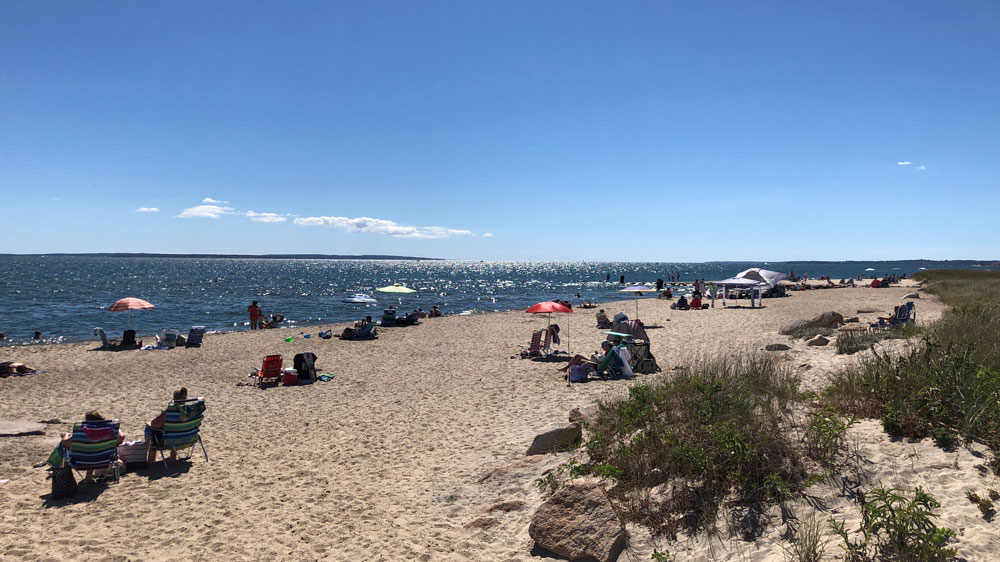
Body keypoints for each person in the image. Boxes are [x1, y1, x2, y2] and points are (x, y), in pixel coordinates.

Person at [55, 410, 126, 481]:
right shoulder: (108, 429)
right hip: (105, 459)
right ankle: (89, 476)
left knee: (65, 448)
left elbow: (65, 443)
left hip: (82, 461)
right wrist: (115, 427)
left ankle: (58, 472)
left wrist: (66, 435)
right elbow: (121, 437)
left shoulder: (83, 431)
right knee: (94, 450)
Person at [146, 388, 188, 463]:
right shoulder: (190, 410)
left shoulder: (170, 411)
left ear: (174, 399)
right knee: (175, 430)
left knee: (150, 429)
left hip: (167, 441)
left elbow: (154, 424)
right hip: (185, 438)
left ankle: (151, 460)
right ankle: (173, 456)